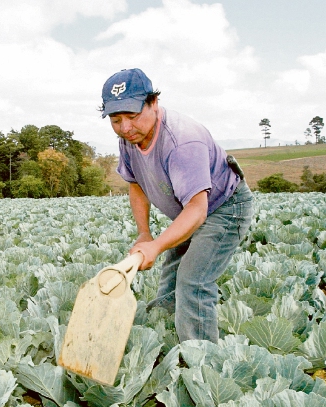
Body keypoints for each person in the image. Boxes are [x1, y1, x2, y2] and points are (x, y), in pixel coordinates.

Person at [100, 68, 253, 343]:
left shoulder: (182, 141)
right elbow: (136, 184)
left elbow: (197, 208)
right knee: (172, 274)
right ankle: (167, 339)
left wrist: (156, 246)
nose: (125, 127)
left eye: (132, 116)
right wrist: (145, 234)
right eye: (115, 119)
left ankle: (202, 363)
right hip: (190, 210)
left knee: (193, 282)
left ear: (153, 103)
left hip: (224, 208)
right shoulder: (129, 138)